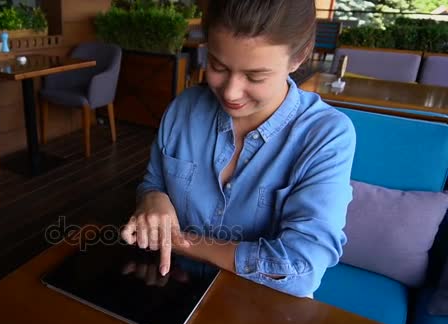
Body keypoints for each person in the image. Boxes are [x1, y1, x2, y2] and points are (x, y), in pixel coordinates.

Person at [120, 0, 356, 298]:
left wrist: (175, 241)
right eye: (217, 66)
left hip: (259, 307)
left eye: (255, 77)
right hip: (172, 291)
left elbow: (302, 269)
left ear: (299, 57)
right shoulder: (184, 108)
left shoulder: (326, 135)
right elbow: (154, 181)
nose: (230, 92)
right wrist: (153, 199)